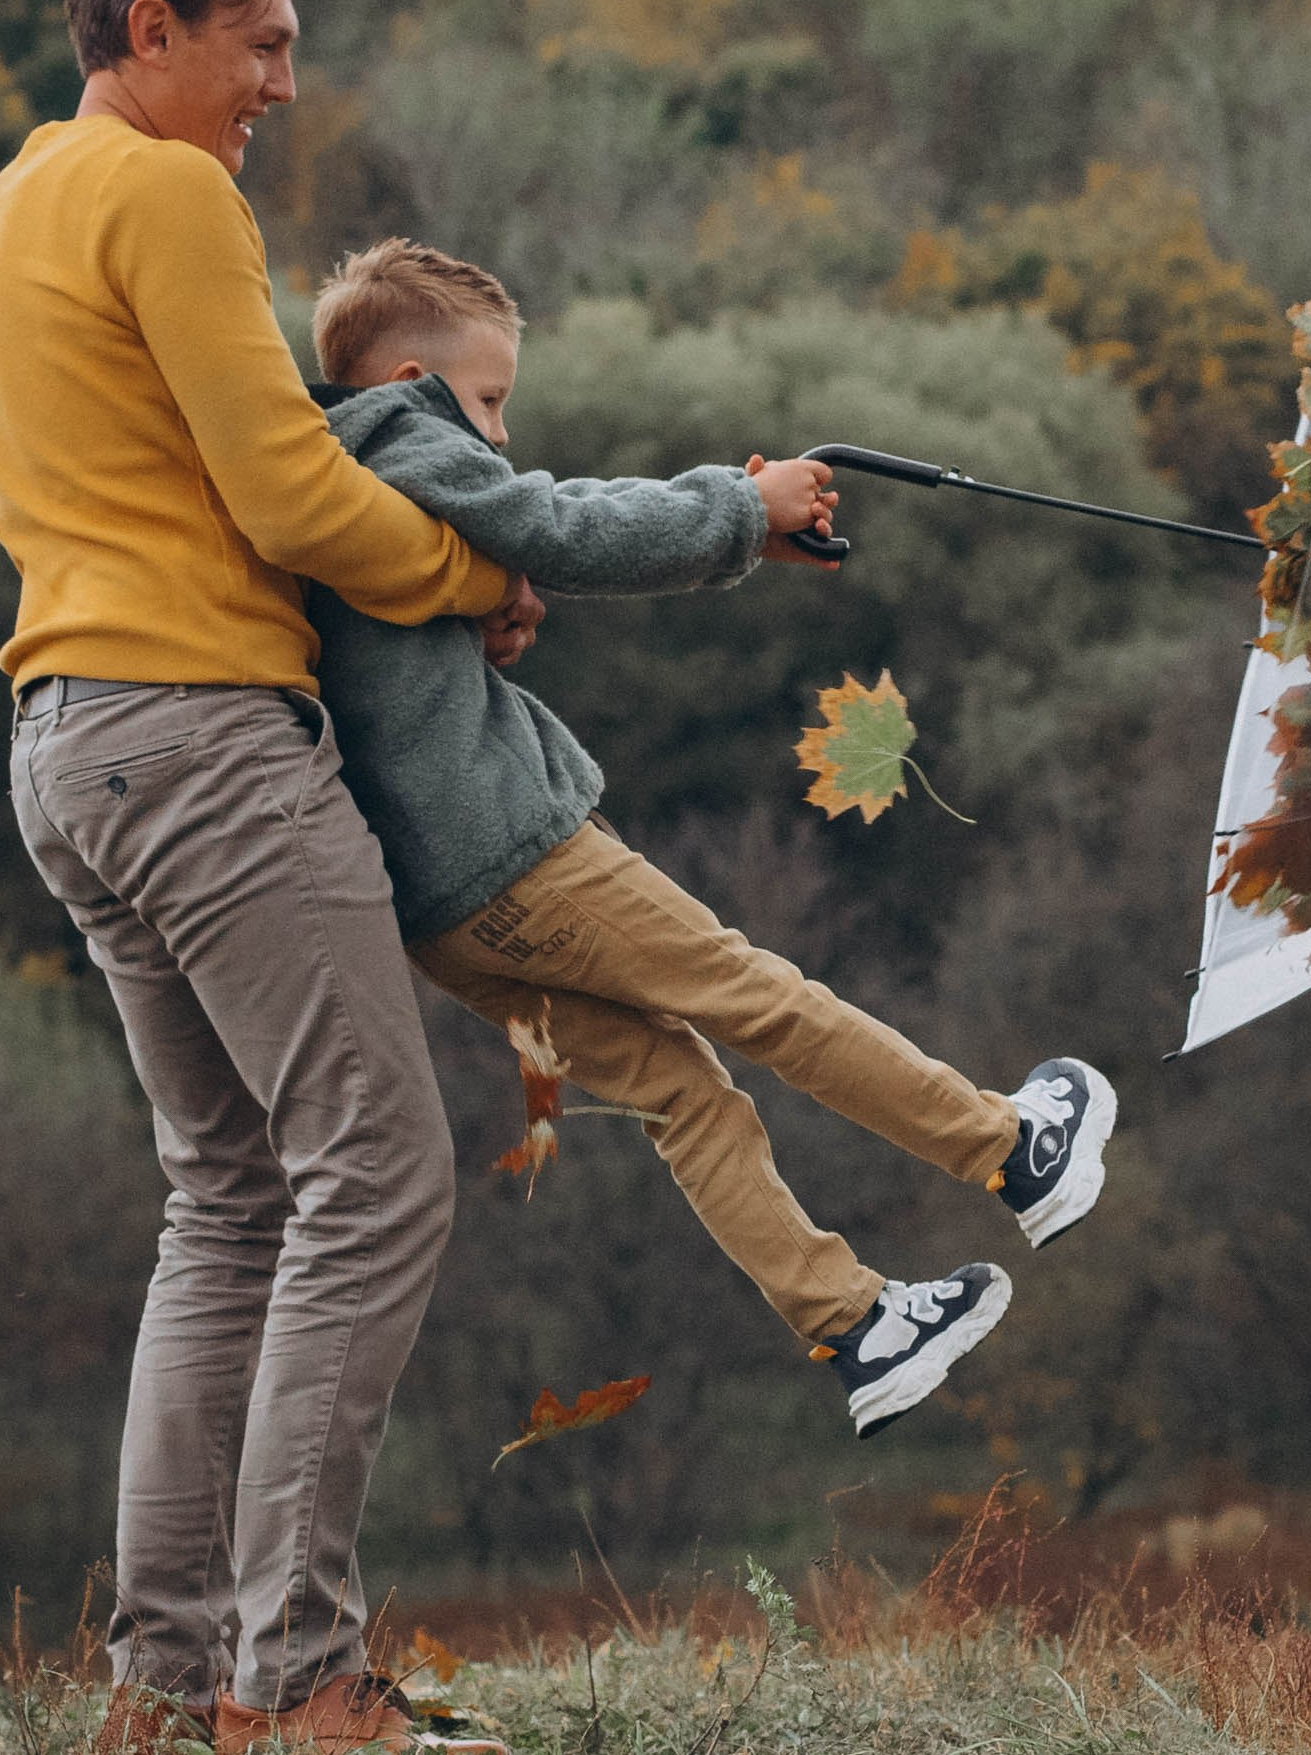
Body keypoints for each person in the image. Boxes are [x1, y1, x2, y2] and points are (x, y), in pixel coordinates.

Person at [0, 0, 523, 1755]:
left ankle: (167, 1694)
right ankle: (299, 1685)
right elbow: (284, 487)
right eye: (260, 39)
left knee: (231, 1199)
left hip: (69, 746)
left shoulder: (11, 204)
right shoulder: (167, 192)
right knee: (380, 1169)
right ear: (153, 32)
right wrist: (466, 572)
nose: (284, 77)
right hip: (200, 737)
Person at [306, 236, 1119, 1435]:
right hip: (514, 851)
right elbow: (560, 525)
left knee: (684, 1097)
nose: (499, 432)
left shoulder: (327, 474)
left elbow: (465, 592)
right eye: (489, 400)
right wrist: (743, 503)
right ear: (408, 380)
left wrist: (501, 614)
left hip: (441, 914)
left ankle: (856, 1327)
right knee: (758, 997)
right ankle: (1010, 1151)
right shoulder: (398, 435)